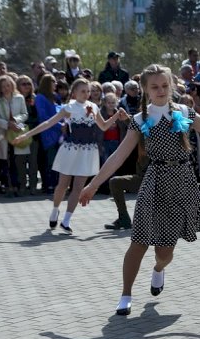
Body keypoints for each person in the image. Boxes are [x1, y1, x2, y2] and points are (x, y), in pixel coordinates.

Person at [77, 64, 200, 315]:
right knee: (138, 241)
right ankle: (125, 294)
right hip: (154, 180)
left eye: (164, 85)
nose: (161, 90)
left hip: (182, 183)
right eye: (154, 87)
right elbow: (118, 158)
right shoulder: (140, 120)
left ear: (172, 86)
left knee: (164, 251)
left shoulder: (184, 112)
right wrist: (92, 185)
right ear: (145, 90)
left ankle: (158, 269)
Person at [13, 78, 125, 232]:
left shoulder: (93, 107)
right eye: (83, 91)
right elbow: (48, 123)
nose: (86, 94)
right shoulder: (69, 107)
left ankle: (66, 220)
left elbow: (104, 126)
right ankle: (55, 210)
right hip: (71, 149)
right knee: (62, 185)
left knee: (78, 187)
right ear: (74, 92)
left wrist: (116, 116)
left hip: (87, 151)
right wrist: (25, 136)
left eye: (88, 91)